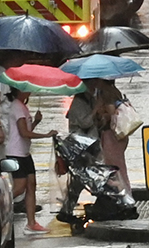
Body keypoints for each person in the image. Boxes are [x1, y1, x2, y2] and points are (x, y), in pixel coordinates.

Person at [6, 87, 57, 234]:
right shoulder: (16, 107)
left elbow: (26, 130)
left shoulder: (23, 107)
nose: (30, 91)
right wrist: (46, 135)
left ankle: (32, 223)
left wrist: (36, 122)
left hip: (25, 153)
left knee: (31, 185)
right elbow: (24, 133)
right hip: (16, 154)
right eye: (26, 89)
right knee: (20, 187)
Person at [57, 82, 101, 224]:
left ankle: (67, 210)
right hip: (81, 148)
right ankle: (67, 210)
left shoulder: (89, 99)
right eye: (92, 85)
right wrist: (96, 109)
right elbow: (85, 123)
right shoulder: (79, 102)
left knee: (80, 181)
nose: (95, 88)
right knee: (82, 179)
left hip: (89, 147)